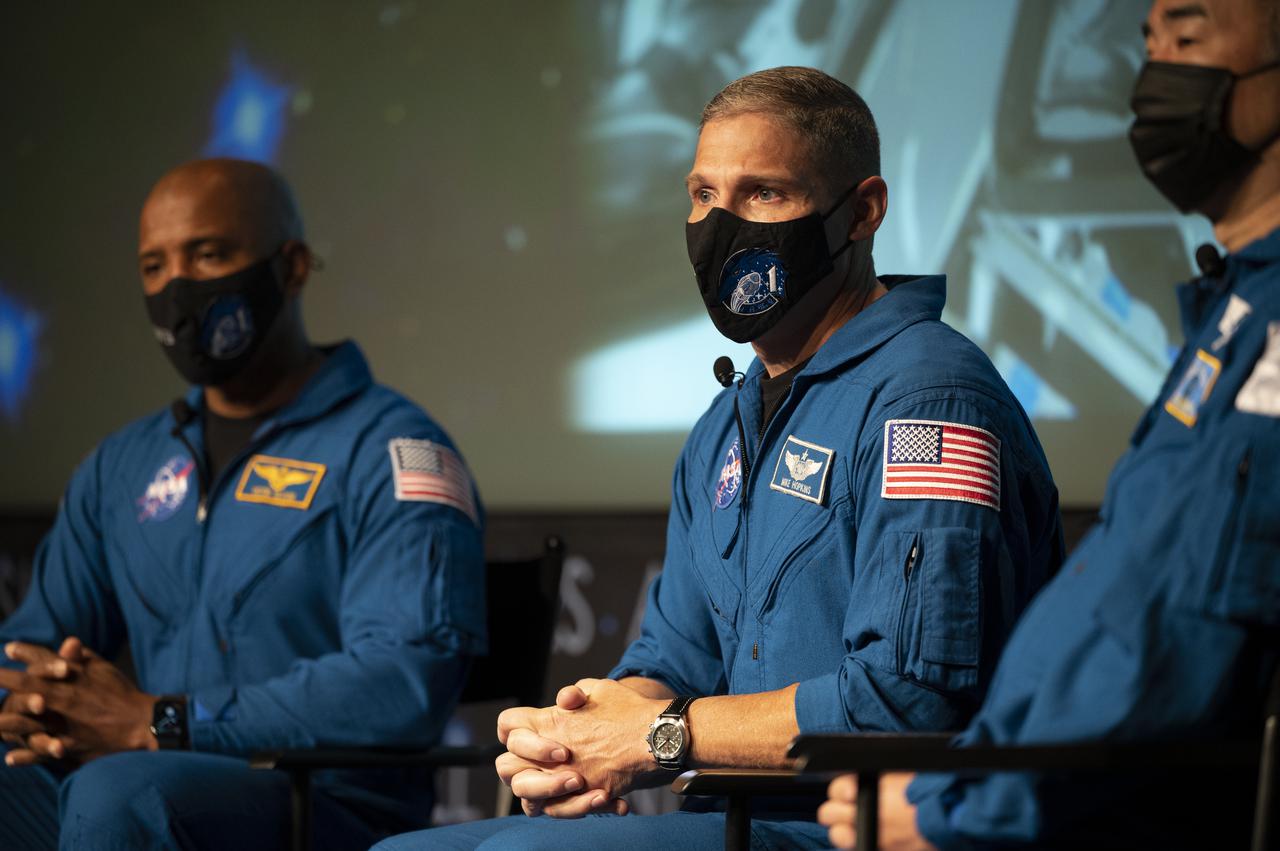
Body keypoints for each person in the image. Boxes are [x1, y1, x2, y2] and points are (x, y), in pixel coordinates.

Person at [376, 66, 1064, 851]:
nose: (722, 226)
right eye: (704, 195)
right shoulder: (722, 425)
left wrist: (657, 736)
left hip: (862, 831)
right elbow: (674, 657)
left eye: (763, 193)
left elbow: (906, 702)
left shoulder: (931, 399)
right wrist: (580, 739)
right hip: (734, 822)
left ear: (863, 211)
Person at [818, 0, 1280, 847]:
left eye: (1188, 37)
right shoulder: (1233, 315)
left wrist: (951, 809)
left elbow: (1181, 641)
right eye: (1146, 44)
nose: (1153, 74)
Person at [0, 159, 486, 850]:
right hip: (141, 781)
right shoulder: (125, 464)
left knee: (118, 793)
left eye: (208, 254)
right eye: (152, 266)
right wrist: (34, 703)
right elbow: (28, 648)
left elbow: (399, 682)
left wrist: (164, 721)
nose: (179, 289)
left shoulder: (397, 451)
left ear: (290, 267)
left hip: (320, 805)